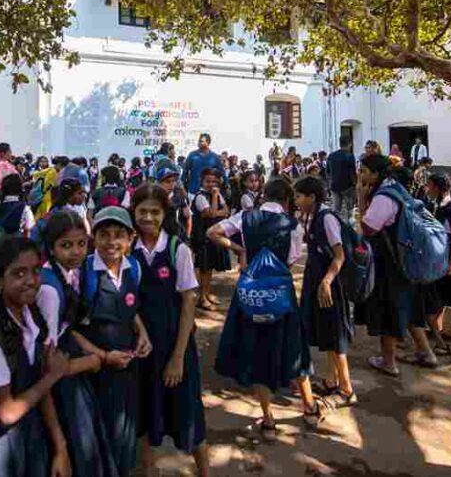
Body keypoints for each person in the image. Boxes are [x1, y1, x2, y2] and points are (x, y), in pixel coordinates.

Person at [0, 236, 71, 477]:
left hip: (28, 438)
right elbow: (6, 412)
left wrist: (60, 447)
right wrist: (52, 376)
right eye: (18, 274)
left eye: (36, 271)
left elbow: (39, 389)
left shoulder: (31, 321)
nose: (30, 281)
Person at [209, 178, 305, 439]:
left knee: (257, 350)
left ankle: (269, 419)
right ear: (287, 200)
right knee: (292, 346)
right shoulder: (293, 226)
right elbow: (292, 260)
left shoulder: (246, 217)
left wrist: (241, 251)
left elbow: (213, 232)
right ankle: (309, 405)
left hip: (250, 292)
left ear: (264, 196)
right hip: (281, 293)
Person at [131, 185, 210, 476]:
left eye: (155, 212)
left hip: (176, 347)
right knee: (146, 417)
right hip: (143, 349)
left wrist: (178, 357)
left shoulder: (179, 250)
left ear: (165, 215)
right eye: (143, 211)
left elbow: (189, 303)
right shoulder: (128, 251)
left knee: (188, 414)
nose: (148, 217)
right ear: (134, 213)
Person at [36, 211, 117, 477]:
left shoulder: (70, 273)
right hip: (55, 378)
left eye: (81, 244)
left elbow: (66, 329)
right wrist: (92, 361)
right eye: (66, 245)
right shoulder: (49, 291)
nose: (75, 252)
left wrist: (100, 354)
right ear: (51, 248)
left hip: (67, 359)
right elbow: (46, 364)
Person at [79, 207, 153, 475]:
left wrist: (142, 332)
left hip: (127, 367)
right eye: (104, 235)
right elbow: (71, 328)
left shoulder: (134, 268)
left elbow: (131, 310)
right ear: (93, 238)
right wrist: (102, 356)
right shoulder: (83, 272)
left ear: (130, 239)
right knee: (97, 436)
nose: (111, 242)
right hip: (95, 370)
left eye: (119, 235)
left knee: (125, 432)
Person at [358, 154, 438, 376]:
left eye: (364, 171)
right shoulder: (396, 189)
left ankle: (388, 362)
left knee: (388, 309)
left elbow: (368, 228)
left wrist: (361, 198)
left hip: (390, 264)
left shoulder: (384, 197)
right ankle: (426, 352)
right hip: (405, 258)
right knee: (409, 306)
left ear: (375, 173)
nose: (361, 175)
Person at [294, 176, 356, 417]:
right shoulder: (311, 216)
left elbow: (339, 255)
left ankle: (347, 389)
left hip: (329, 284)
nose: (297, 201)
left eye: (300, 196)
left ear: (312, 197)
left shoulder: (327, 218)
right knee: (327, 334)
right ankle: (332, 381)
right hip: (317, 281)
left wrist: (327, 282)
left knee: (335, 334)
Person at [422, 174, 451, 352]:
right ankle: (437, 328)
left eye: (430, 186)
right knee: (439, 293)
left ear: (439, 188)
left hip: (450, 258)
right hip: (439, 258)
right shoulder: (434, 206)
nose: (428, 189)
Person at [190, 168, 230, 311]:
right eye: (208, 181)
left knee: (210, 267)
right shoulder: (201, 197)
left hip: (214, 236)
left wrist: (216, 206)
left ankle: (207, 294)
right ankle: (202, 297)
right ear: (202, 181)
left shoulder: (217, 194)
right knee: (204, 269)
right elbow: (212, 214)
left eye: (214, 181)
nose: (211, 184)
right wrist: (214, 197)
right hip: (203, 238)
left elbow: (226, 211)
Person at [156, 160, 192, 242]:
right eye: (168, 181)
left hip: (177, 236)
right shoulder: (154, 197)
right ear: (159, 183)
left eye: (174, 181)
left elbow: (188, 216)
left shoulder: (179, 195)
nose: (172, 184)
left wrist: (188, 235)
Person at [328, 136, 357, 221]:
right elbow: (352, 172)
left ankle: (335, 226)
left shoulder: (331, 155)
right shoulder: (349, 156)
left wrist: (330, 182)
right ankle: (349, 227)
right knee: (350, 209)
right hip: (347, 186)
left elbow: (328, 171)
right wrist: (354, 183)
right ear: (349, 144)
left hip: (334, 185)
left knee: (336, 209)